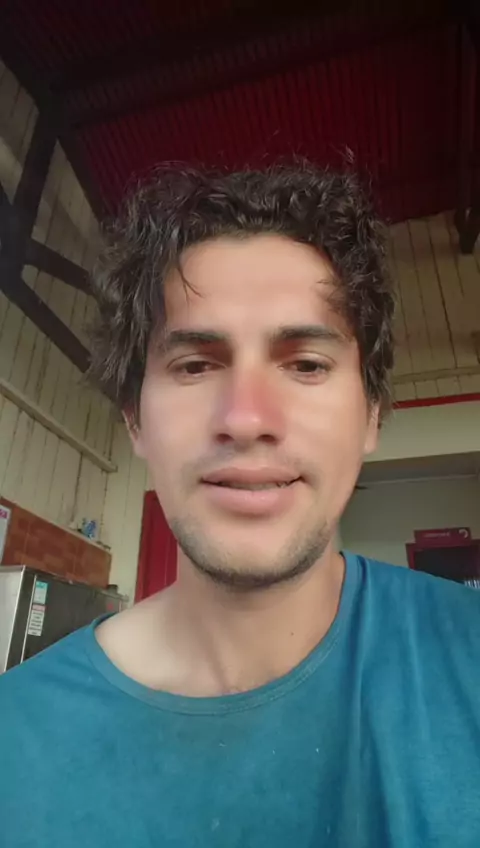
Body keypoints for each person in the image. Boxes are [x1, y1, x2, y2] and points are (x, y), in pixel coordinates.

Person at [1, 163, 479, 847]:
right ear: (134, 418)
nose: (247, 418)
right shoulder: (15, 742)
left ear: (372, 414)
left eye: (306, 364)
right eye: (195, 365)